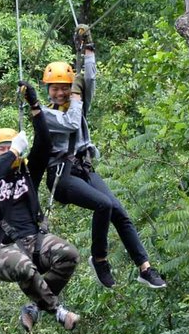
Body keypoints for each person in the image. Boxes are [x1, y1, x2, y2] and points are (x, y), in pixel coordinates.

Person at [33, 25, 167, 289]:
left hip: (83, 169)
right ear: (47, 90)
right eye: (54, 89)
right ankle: (100, 259)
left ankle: (145, 268)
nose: (59, 93)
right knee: (103, 205)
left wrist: (89, 49)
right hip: (61, 176)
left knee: (119, 212)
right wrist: (75, 94)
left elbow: (89, 80)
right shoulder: (47, 116)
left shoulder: (77, 104)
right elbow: (71, 123)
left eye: (64, 88)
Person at [0, 83, 81, 332]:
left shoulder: (27, 172)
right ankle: (58, 311)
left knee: (69, 255)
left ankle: (34, 307)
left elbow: (44, 144)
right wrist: (12, 151)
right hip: (1, 249)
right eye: (2, 148)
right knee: (24, 267)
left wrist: (35, 107)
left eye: (10, 146)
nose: (7, 151)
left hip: (35, 241)